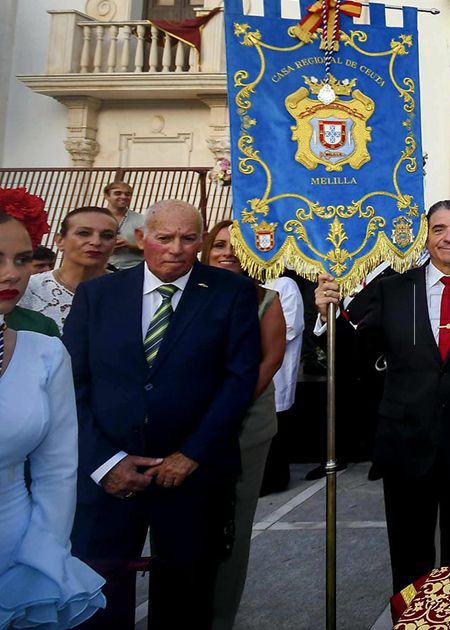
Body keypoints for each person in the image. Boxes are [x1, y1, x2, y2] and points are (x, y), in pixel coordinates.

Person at [65, 200, 261, 629]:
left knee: (186, 598)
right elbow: (73, 385)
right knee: (98, 596)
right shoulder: (98, 296)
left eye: (189, 238)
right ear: (141, 239)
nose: (176, 249)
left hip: (194, 476)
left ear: (200, 241)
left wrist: (191, 454)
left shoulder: (233, 294)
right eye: (164, 237)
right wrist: (105, 461)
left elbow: (239, 380)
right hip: (109, 478)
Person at [313, 200, 450, 593]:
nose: (449, 237)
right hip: (406, 443)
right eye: (439, 228)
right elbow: (355, 352)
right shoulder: (393, 289)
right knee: (410, 555)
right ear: (427, 235)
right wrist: (328, 316)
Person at [0, 208, 106, 629]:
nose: (12, 274)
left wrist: (43, 555)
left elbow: (57, 468)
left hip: (17, 548)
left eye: (22, 259)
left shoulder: (43, 350)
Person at [200, 221, 287, 630]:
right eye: (218, 245)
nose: (227, 253)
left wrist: (221, 411)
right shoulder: (186, 296)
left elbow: (270, 361)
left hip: (245, 425)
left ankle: (220, 617)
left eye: (238, 247)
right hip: (184, 427)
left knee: (232, 527)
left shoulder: (265, 299)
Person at [19, 207, 118, 331]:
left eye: (107, 236)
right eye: (84, 233)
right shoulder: (27, 288)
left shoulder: (131, 290)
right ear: (60, 240)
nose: (96, 242)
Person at [260, 271, 304, 495]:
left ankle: (276, 480)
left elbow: (291, 327)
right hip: (254, 370)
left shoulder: (284, 284)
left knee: (276, 429)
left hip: (279, 369)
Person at [102, 181, 145, 271]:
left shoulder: (142, 220)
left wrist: (129, 245)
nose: (123, 197)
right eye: (118, 193)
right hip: (102, 269)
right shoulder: (95, 218)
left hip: (133, 269)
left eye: (127, 194)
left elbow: (151, 246)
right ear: (107, 196)